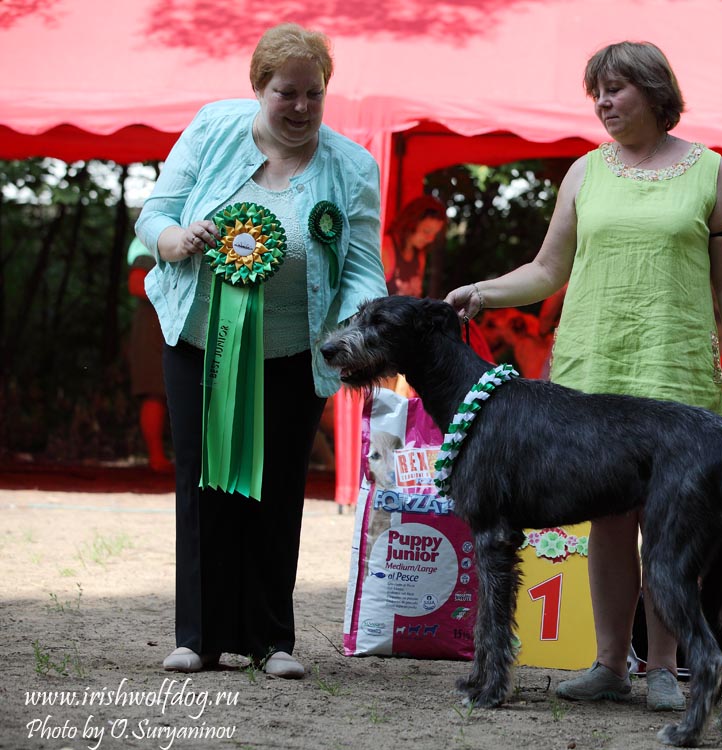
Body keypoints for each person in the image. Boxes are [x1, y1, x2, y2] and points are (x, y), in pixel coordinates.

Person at [446, 41, 722, 711]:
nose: (604, 103)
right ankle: (610, 664)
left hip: (674, 361)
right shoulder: (584, 172)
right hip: (594, 365)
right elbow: (546, 270)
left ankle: (665, 670)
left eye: (616, 89)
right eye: (597, 92)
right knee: (608, 520)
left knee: (670, 522)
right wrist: (483, 290)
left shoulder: (713, 173)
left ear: (653, 91)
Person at [135, 23, 386, 679]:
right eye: (286, 94)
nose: (301, 107)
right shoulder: (214, 128)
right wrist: (178, 238)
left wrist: (360, 322)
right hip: (200, 340)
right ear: (258, 89)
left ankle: (272, 641)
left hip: (293, 351)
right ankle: (199, 636)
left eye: (313, 94)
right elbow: (154, 213)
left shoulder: (352, 166)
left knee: (277, 489)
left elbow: (361, 264)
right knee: (203, 481)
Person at [126, 236, 171, 473]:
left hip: (176, 325)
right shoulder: (151, 240)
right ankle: (156, 457)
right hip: (153, 327)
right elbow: (135, 284)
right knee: (154, 392)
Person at [381, 195, 447, 297]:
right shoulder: (385, 247)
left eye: (435, 234)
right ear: (410, 222)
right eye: (426, 231)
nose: (431, 239)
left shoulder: (419, 254)